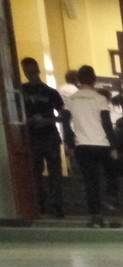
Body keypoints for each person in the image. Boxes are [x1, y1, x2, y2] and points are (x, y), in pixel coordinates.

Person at [64, 67, 118, 228]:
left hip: (83, 145)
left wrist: (70, 143)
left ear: (78, 80)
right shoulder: (99, 99)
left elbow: (65, 123)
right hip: (102, 144)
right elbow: (106, 124)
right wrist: (113, 146)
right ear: (94, 79)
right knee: (110, 172)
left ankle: (96, 215)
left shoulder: (71, 100)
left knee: (90, 181)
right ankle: (111, 196)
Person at [19, 58, 67, 219]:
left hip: (49, 136)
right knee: (35, 174)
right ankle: (40, 205)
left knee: (55, 174)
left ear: (38, 70)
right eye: (27, 72)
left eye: (32, 71)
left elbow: (63, 115)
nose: (30, 74)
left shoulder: (50, 92)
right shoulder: (21, 91)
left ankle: (57, 206)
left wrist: (46, 121)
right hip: (31, 137)